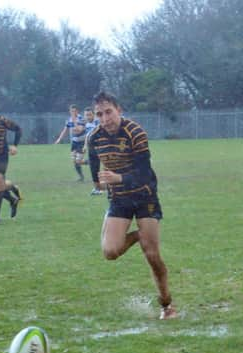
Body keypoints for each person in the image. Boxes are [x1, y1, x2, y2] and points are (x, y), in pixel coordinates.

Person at [87, 91, 177, 320]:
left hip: (144, 195)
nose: (105, 119)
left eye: (109, 112)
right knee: (110, 252)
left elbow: (145, 173)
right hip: (119, 199)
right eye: (100, 114)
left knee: (152, 255)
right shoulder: (94, 138)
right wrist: (100, 181)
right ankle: (140, 235)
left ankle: (166, 304)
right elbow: (96, 175)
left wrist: (119, 178)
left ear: (119, 110)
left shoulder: (135, 132)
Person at [54, 104, 87, 182]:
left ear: (77, 111)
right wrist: (59, 139)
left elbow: (79, 130)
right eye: (71, 111)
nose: (73, 113)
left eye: (74, 111)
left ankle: (90, 162)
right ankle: (81, 177)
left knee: (78, 160)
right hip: (74, 142)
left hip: (81, 142)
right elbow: (65, 130)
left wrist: (75, 121)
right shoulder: (69, 120)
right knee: (74, 160)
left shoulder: (81, 119)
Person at [83, 107, 104, 195]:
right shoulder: (87, 124)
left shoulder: (97, 123)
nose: (87, 117)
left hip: (99, 147)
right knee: (94, 169)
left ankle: (110, 188)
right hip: (91, 149)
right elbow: (88, 136)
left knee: (106, 167)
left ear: (93, 115)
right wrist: (85, 146)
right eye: (86, 115)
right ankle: (97, 188)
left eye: (89, 115)